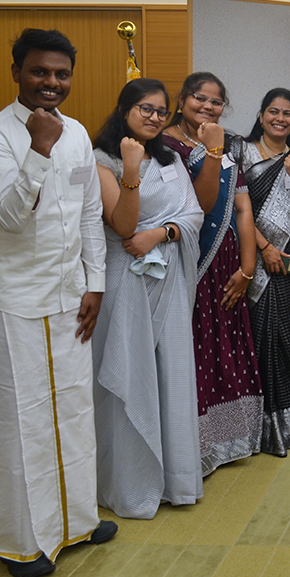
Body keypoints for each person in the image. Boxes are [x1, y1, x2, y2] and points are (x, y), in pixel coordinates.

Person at [0, 27, 117, 577]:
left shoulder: (77, 135)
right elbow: (8, 217)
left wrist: (94, 282)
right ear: (17, 73)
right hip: (12, 299)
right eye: (39, 72)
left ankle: (75, 519)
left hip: (69, 295)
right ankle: (21, 540)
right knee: (19, 417)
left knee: (72, 409)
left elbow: (86, 215)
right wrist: (37, 148)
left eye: (61, 74)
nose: (51, 82)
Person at [92, 77, 204, 519]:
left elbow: (193, 213)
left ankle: (174, 481)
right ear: (124, 110)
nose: (155, 117)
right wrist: (131, 170)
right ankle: (128, 483)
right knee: (129, 374)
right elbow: (121, 225)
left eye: (161, 110)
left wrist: (162, 232)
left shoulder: (173, 158)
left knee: (172, 374)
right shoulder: (101, 158)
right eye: (145, 109)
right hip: (124, 280)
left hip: (170, 275)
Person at [163, 72, 264, 474]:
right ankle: (191, 445)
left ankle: (229, 439)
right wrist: (210, 150)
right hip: (187, 259)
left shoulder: (228, 147)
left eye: (215, 102)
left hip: (227, 264)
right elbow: (198, 207)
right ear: (182, 99)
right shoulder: (166, 145)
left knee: (226, 343)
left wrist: (248, 268)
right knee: (192, 344)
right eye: (199, 99)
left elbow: (242, 208)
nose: (207, 107)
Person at [239, 88, 290, 454]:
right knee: (252, 343)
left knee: (286, 339)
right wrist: (264, 247)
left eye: (288, 113)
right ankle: (252, 427)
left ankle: (287, 425)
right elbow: (232, 209)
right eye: (273, 111)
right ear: (261, 116)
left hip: (289, 267)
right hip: (248, 259)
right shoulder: (239, 153)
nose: (280, 118)